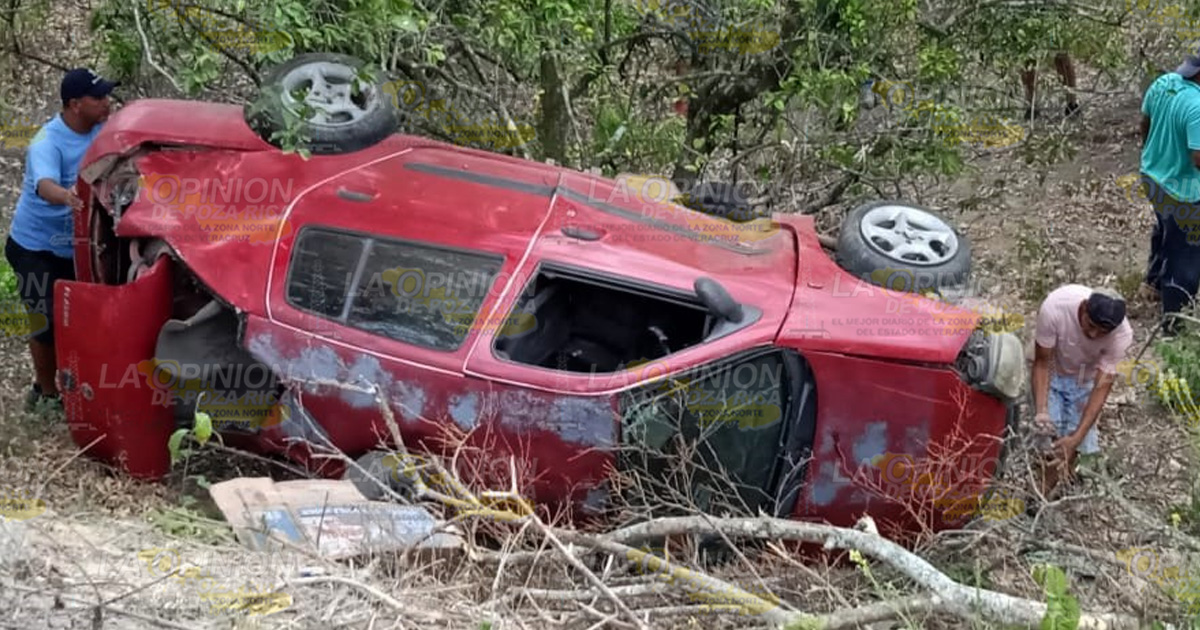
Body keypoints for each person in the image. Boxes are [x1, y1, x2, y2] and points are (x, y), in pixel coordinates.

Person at [5, 68, 116, 411]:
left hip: (79, 246)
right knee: (45, 321)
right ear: (75, 105)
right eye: (98, 98)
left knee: (85, 318)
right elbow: (45, 185)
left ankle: (83, 384)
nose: (106, 103)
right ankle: (45, 392)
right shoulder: (46, 142)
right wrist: (68, 197)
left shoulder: (103, 130)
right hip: (34, 247)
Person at [1030, 286, 1132, 504]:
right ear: (1084, 308)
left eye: (1102, 332)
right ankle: (1039, 493)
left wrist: (1076, 438)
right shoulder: (1055, 308)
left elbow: (1101, 388)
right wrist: (1041, 411)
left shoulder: (1121, 335)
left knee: (1072, 441)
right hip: (1053, 371)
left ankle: (1049, 491)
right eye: (1091, 325)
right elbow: (1041, 363)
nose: (1094, 335)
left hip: (1085, 380)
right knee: (1047, 436)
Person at [1138, 48, 1200, 334]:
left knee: (1165, 227)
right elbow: (1198, 157)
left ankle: (1152, 282)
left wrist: (1156, 156)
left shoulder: (1162, 83)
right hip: (1184, 193)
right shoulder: (1196, 106)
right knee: (1185, 259)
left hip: (1152, 177)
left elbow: (1145, 125)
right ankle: (1173, 326)